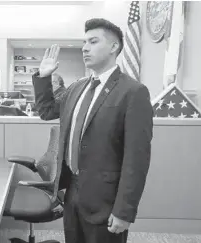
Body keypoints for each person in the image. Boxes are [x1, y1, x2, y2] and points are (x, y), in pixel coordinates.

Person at [32, 18, 153, 243]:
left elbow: (137, 159)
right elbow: (47, 111)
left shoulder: (133, 92)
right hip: (72, 192)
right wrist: (44, 77)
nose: (85, 48)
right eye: (84, 42)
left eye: (93, 41)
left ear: (114, 47)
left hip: (106, 201)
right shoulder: (78, 87)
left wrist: (124, 211)